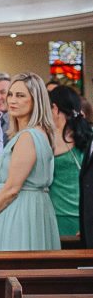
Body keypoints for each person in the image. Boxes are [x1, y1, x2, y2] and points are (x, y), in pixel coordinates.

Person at [0, 73, 60, 250]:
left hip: (22, 212)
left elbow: (12, 189)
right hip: (34, 208)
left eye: (20, 95)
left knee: (16, 270)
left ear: (36, 100)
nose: (12, 101)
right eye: (11, 94)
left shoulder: (28, 137)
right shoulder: (39, 133)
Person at [48, 86, 92, 237]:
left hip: (60, 214)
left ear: (54, 108)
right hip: (86, 213)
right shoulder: (88, 134)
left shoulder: (50, 139)